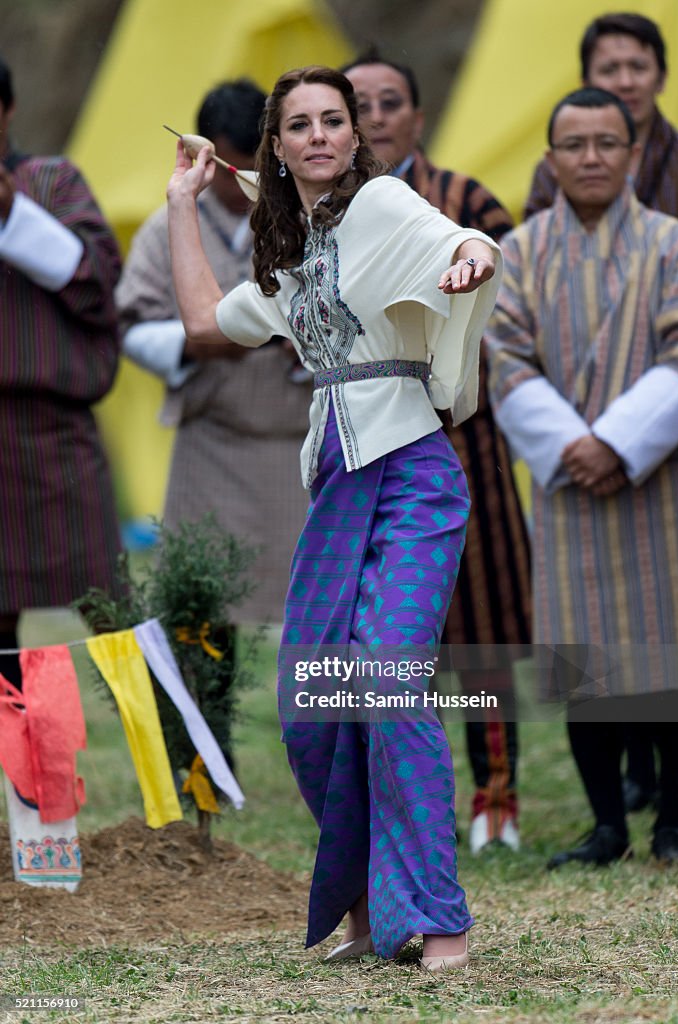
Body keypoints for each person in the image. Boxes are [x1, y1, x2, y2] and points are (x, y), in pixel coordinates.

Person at [165, 65, 502, 970]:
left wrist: (473, 259)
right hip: (336, 484)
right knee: (312, 705)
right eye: (299, 124)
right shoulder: (287, 253)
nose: (318, 135)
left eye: (333, 120)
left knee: (388, 682)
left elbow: (459, 238)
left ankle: (440, 919)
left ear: (356, 137)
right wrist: (179, 203)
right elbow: (202, 320)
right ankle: (362, 906)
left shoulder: (385, 208)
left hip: (415, 475)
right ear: (277, 145)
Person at [485, 86, 678, 867]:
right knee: (583, 657)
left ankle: (673, 820)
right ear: (551, 159)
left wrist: (618, 442)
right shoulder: (522, 250)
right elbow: (502, 356)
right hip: (568, 481)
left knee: (673, 653)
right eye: (575, 145)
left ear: (634, 155)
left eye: (608, 142)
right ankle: (606, 824)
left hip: (662, 476)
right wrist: (576, 446)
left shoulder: (675, 244)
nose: (592, 157)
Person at [342, 52, 531, 855]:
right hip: (366, 444)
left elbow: (510, 301)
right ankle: (401, 802)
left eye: (392, 102)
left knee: (481, 620)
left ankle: (497, 794)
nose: (378, 117)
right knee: (381, 626)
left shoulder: (466, 199)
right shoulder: (327, 213)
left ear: (418, 117)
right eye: (362, 105)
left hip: (462, 440)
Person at [117, 80, 311, 646]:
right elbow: (131, 326)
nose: (235, 177)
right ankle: (206, 734)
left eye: (247, 161)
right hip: (212, 444)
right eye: (222, 162)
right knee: (202, 618)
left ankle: (317, 730)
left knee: (315, 613)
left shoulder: (307, 216)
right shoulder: (171, 222)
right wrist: (212, 337)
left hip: (303, 443)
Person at [0, 54, 122, 688]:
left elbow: (99, 278)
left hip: (58, 440)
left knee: (114, 615)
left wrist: (9, 213)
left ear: (8, 110)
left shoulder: (52, 182)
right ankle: (27, 785)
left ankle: (181, 776)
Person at [524, 12, 678, 225]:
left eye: (638, 68)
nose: (626, 82)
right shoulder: (557, 167)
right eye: (609, 70)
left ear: (662, 79)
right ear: (586, 83)